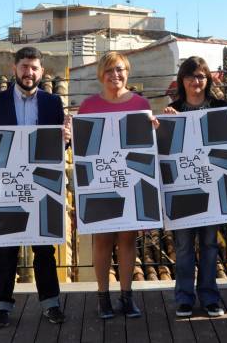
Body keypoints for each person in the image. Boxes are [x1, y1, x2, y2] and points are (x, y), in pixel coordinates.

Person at [0, 47, 71, 328]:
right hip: (7, 185)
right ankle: (2, 306)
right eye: (24, 66)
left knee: (44, 249)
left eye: (34, 67)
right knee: (6, 248)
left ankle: (51, 304)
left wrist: (66, 138)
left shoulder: (53, 103)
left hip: (41, 184)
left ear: (42, 71)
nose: (29, 72)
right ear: (15, 68)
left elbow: (59, 147)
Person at [78, 51, 155, 319]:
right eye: (110, 70)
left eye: (120, 69)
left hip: (131, 182)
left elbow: (148, 146)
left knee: (127, 239)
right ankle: (103, 299)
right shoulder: (88, 106)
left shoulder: (141, 104)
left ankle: (126, 297)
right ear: (101, 74)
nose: (115, 75)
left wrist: (155, 128)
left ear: (127, 72)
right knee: (102, 240)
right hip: (100, 182)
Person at [163, 57, 227, 318]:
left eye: (200, 76)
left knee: (211, 244)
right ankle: (185, 298)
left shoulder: (220, 108)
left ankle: (210, 297)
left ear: (208, 80)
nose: (195, 81)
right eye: (190, 76)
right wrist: (163, 124)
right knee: (184, 246)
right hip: (182, 189)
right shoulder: (172, 110)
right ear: (182, 80)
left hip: (212, 187)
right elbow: (163, 151)